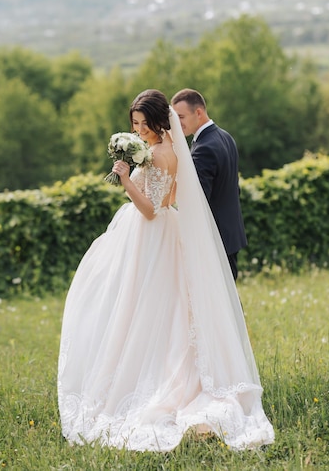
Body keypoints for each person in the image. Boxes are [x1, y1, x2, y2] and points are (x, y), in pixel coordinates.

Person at [58, 89, 274, 452]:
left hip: (149, 235)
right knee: (158, 307)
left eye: (144, 124)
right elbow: (173, 198)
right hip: (162, 234)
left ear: (160, 122)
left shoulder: (159, 154)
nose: (139, 130)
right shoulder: (173, 149)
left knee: (138, 305)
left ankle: (138, 380)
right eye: (135, 125)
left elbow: (151, 209)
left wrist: (126, 178)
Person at [171, 88, 246, 281]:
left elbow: (196, 199)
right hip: (230, 232)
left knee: (218, 299)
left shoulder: (204, 148)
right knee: (226, 297)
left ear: (198, 112)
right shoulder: (225, 136)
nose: (177, 124)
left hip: (214, 237)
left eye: (181, 116)